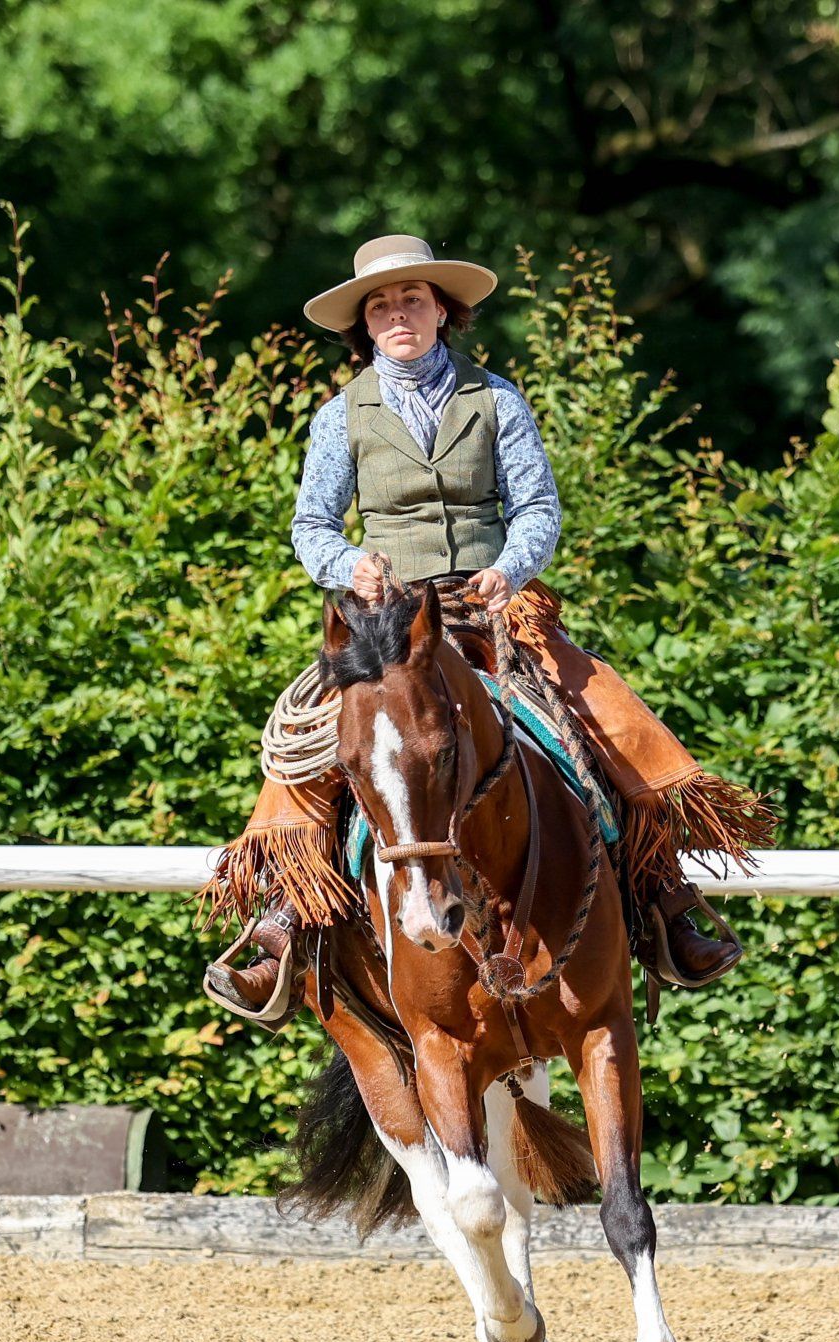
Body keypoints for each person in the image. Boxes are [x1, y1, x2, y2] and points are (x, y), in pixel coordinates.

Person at [201, 234, 775, 1025]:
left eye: (412, 299)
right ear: (363, 325)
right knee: (310, 737)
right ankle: (284, 918)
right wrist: (348, 566)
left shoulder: (497, 397)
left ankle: (660, 892)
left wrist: (510, 567)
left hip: (488, 607)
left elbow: (538, 506)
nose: (397, 314)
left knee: (600, 707)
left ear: (443, 309)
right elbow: (310, 524)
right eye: (380, 304)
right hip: (386, 620)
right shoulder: (340, 417)